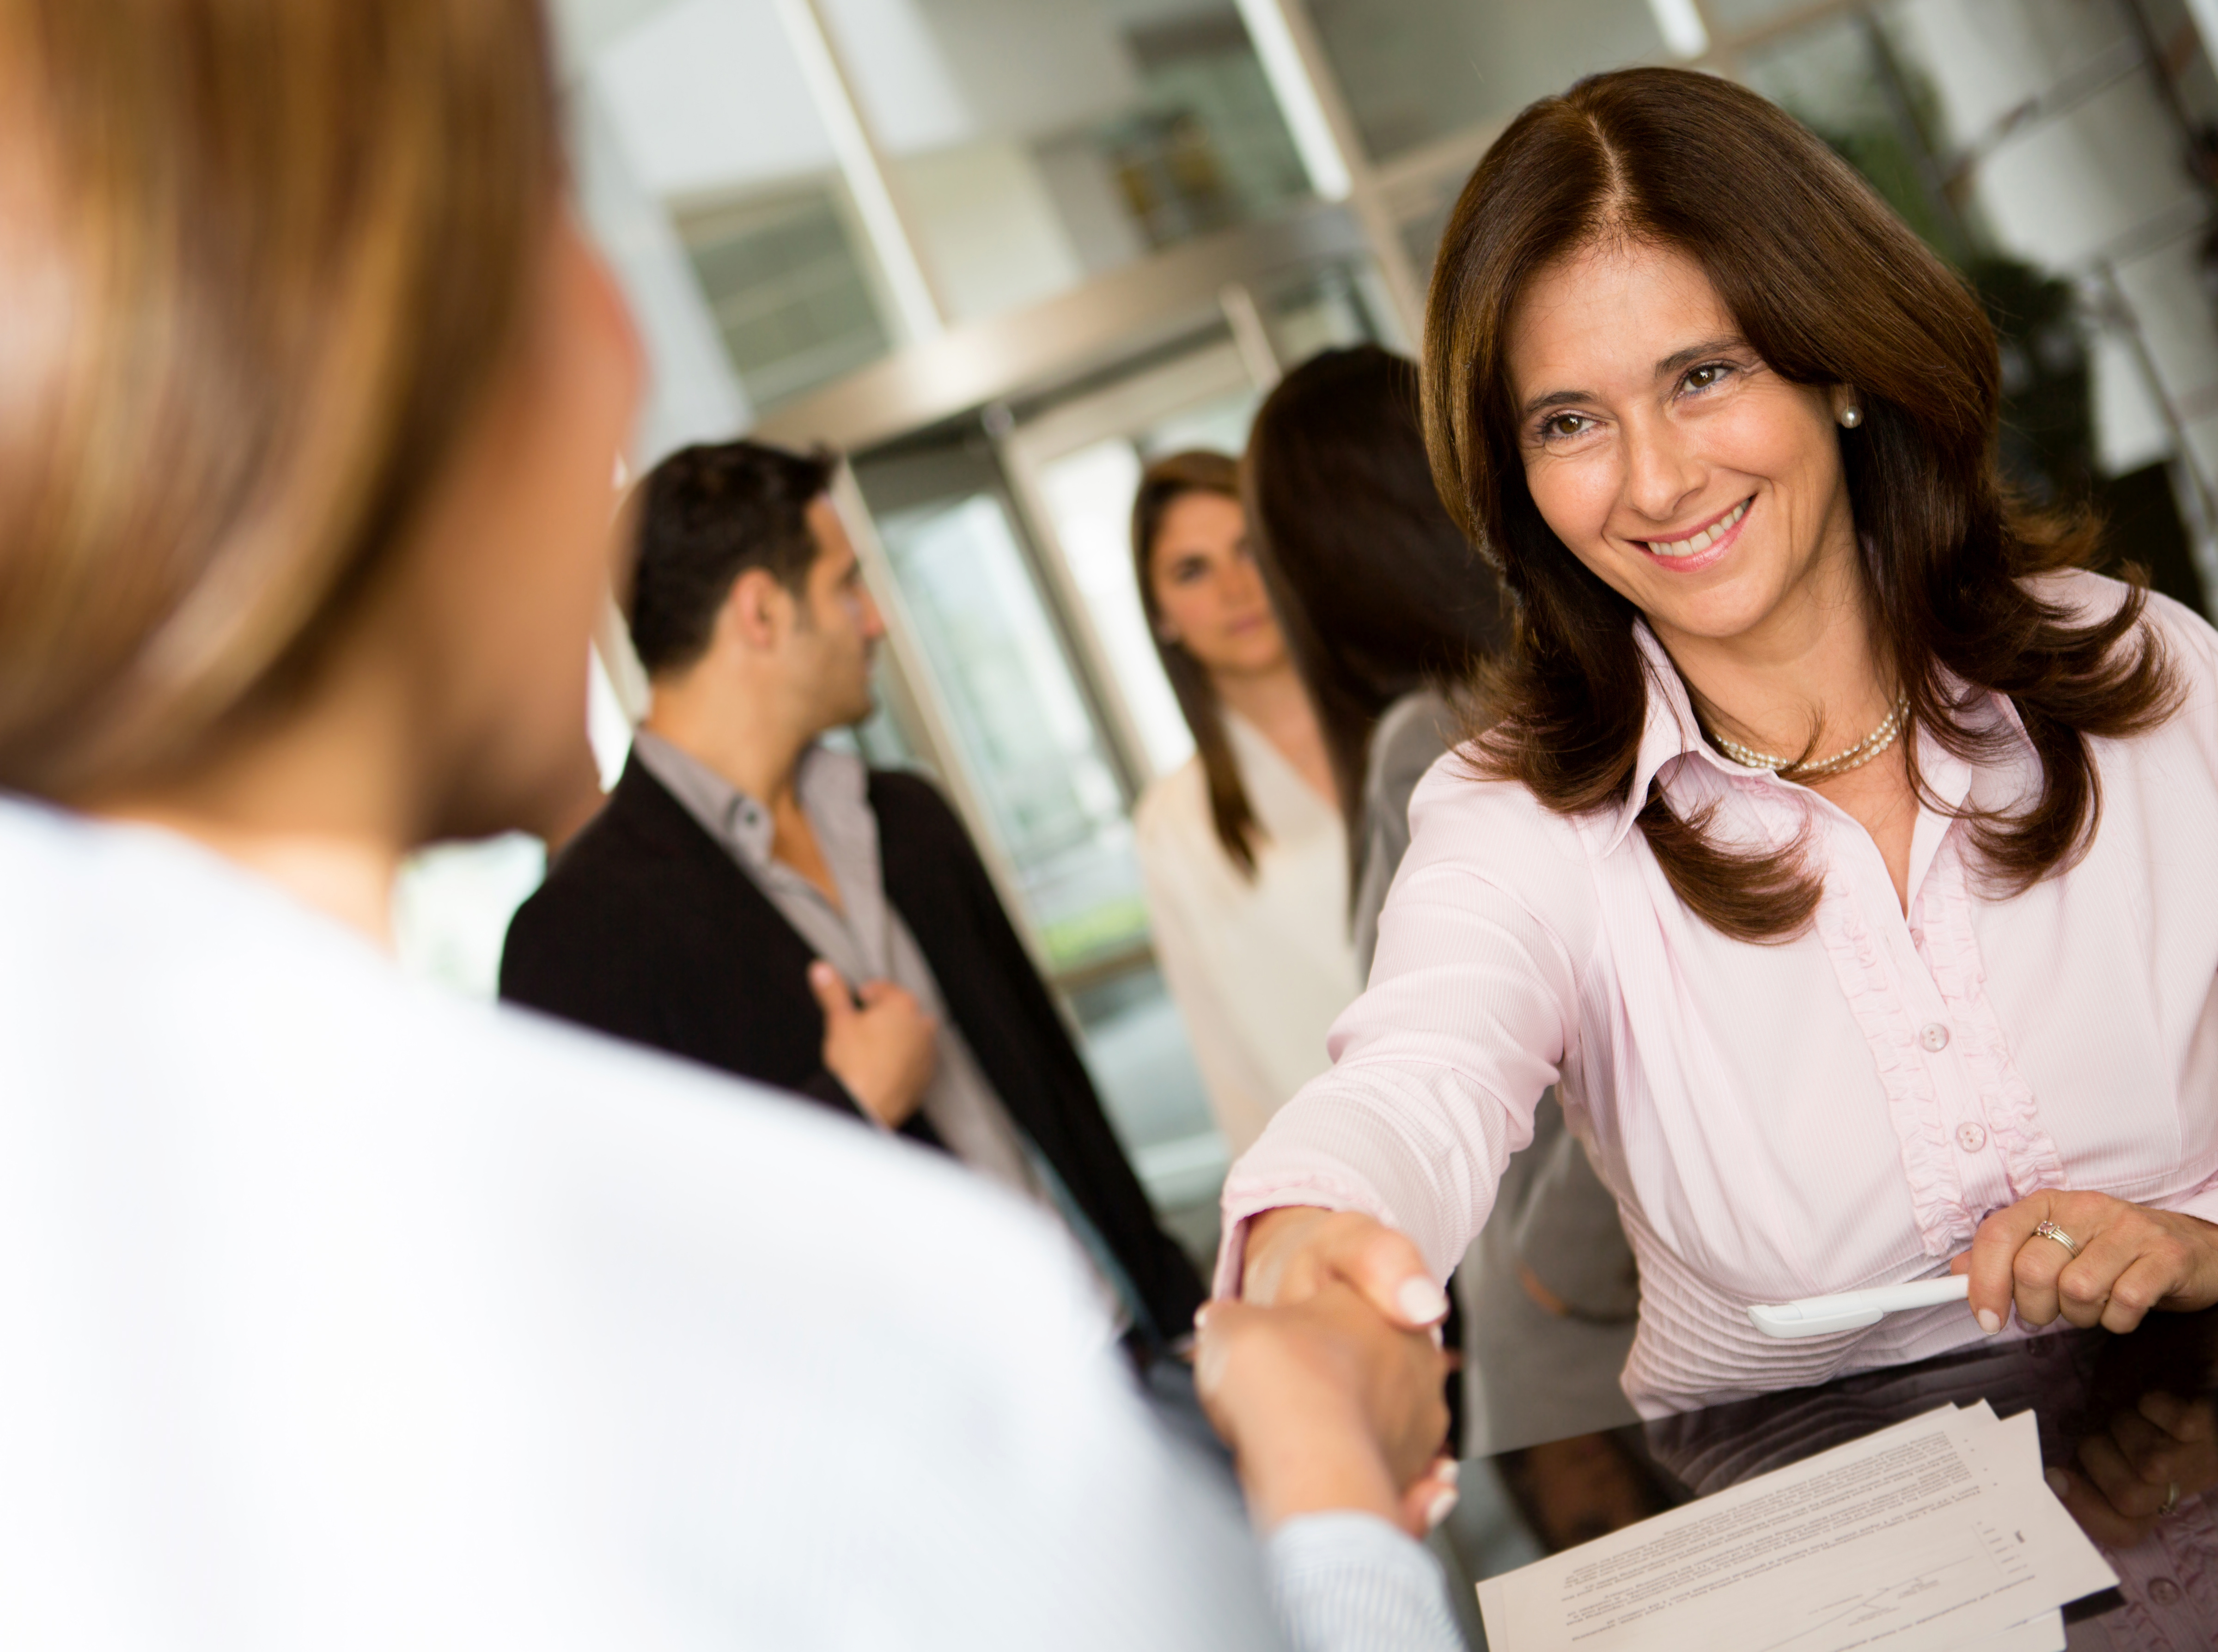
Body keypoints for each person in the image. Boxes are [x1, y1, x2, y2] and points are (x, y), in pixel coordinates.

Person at [0, 1, 1468, 1644]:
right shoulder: (453, 1230)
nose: (616, 340)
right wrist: (1334, 1499)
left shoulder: (153, 1215)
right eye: (538, 230)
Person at [1222, 62, 2218, 1500]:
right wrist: (1317, 1237)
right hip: (1838, 1564)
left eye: (1703, 376)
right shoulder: (1522, 822)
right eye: (1569, 422)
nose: (1657, 480)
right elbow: (1420, 1072)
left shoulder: (2142, 676)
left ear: (1838, 365)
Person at [500, 439, 1205, 1358]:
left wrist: (1180, 1310)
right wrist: (848, 1106)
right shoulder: (573, 937)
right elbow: (632, 1275)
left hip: (1129, 1361)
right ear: (760, 611)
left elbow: (1061, 1101)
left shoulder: (908, 818)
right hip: (939, 1461)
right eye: (845, 586)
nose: (874, 621)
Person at [1244, 343, 1639, 1452]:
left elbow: (1619, 1016)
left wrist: (1555, 1266)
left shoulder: (1435, 739)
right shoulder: (1572, 672)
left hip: (1595, 1339)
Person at [1130, 451, 1363, 1156]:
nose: (1235, 589)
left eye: (1248, 548)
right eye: (1192, 570)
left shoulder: (1414, 723)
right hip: (1362, 1175)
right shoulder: (1174, 825)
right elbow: (1226, 1058)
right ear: (1162, 615)